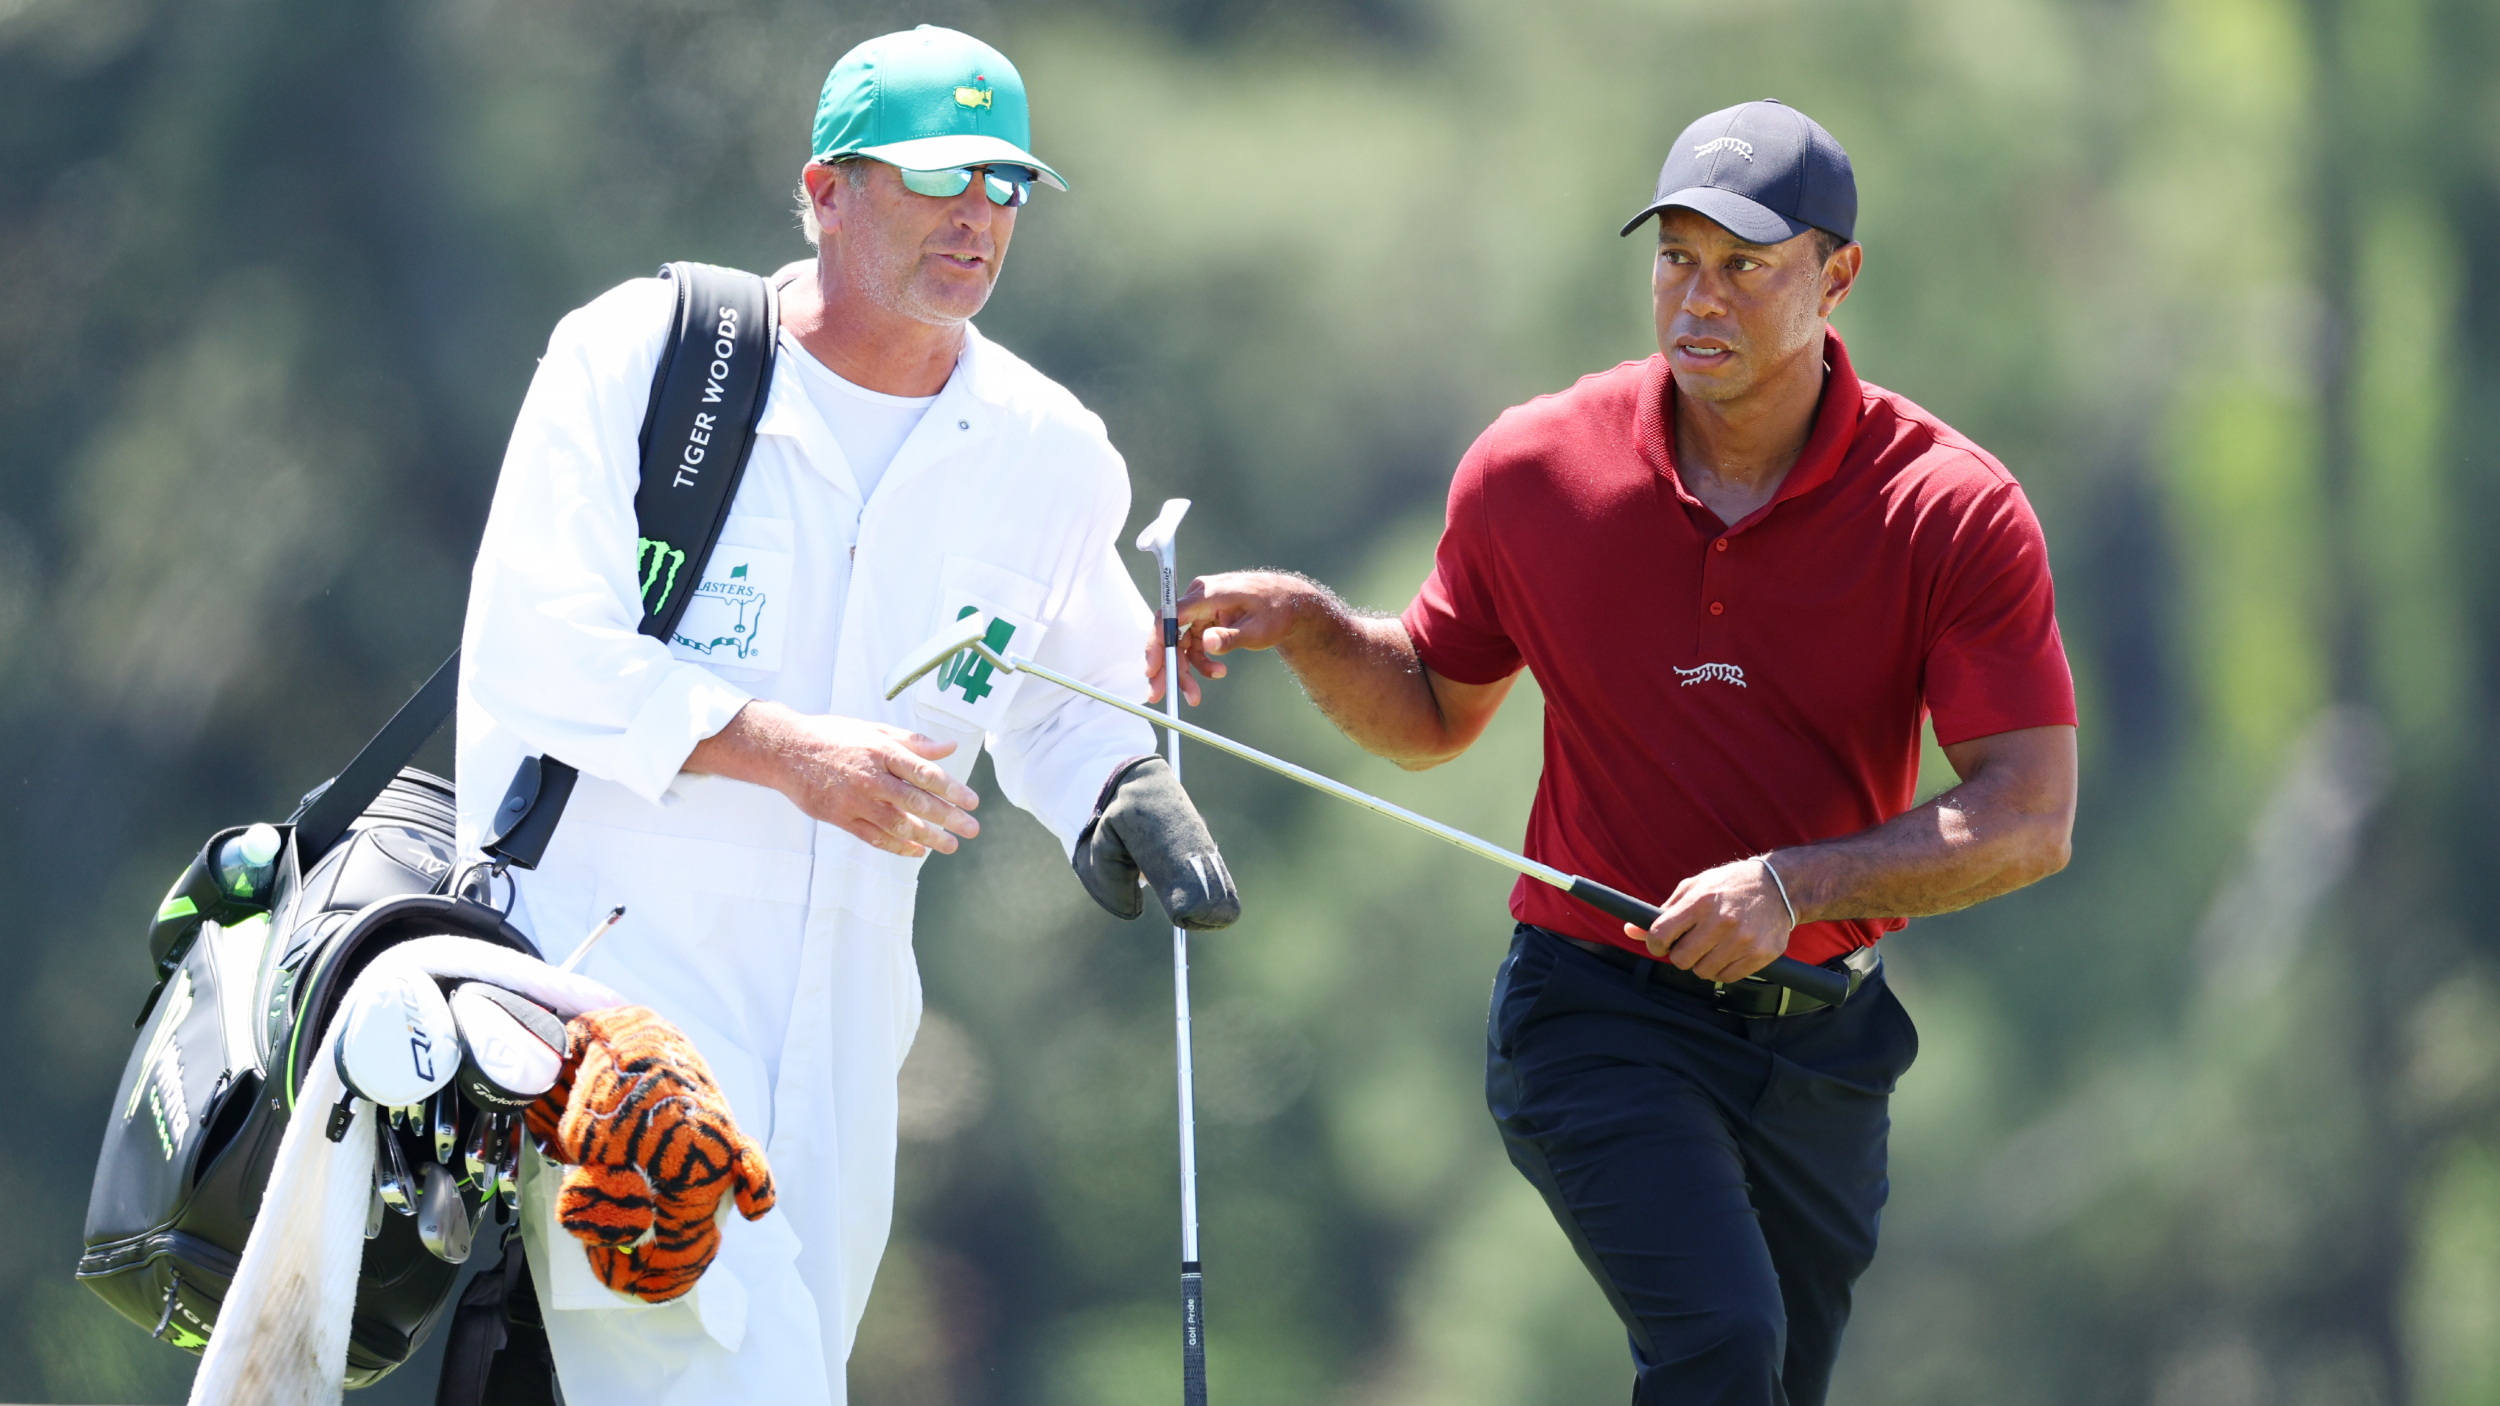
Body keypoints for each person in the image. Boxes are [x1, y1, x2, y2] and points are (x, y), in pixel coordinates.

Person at [1157, 99, 2078, 1405]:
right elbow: (1431, 711)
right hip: (1596, 1007)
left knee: (1767, 1379)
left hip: (1821, 1043)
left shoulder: (1947, 507)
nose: (1700, 298)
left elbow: (2029, 814)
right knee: (1722, 1345)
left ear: (1837, 277)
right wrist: (1311, 626)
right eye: (1677, 258)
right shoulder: (1536, 468)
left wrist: (1793, 885)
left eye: (1745, 265)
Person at [456, 25, 1237, 1403]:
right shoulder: (643, 356)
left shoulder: (1050, 452)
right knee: (708, 1368)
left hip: (856, 1020)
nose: (978, 216)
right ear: (824, 191)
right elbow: (539, 644)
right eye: (939, 177)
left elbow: (1072, 696)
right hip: (610, 986)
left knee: (796, 1370)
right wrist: (785, 752)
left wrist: (1121, 790)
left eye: (1006, 184)